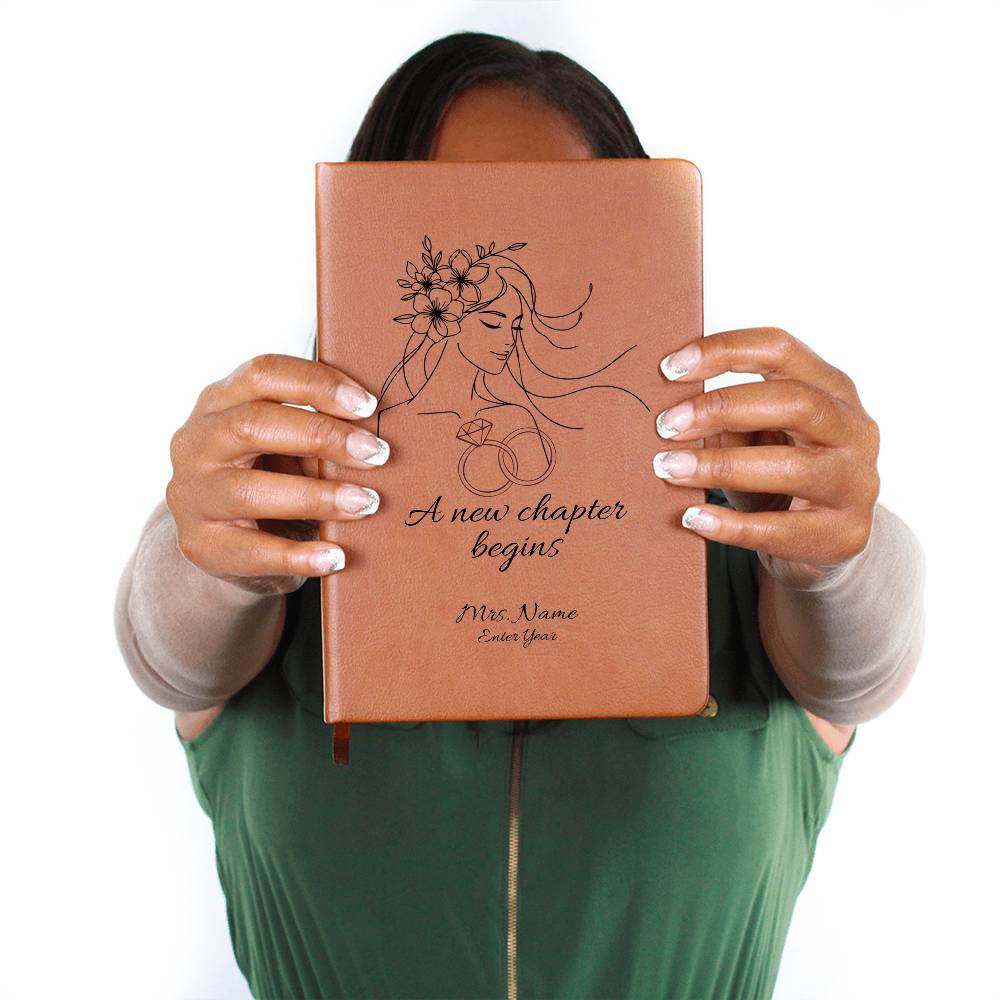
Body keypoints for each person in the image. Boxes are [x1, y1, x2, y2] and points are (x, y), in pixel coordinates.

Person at [113, 30, 926, 1000]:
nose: (500, 269)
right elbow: (164, 648)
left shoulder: (747, 537)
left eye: (557, 228)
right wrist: (202, 550)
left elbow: (866, 659)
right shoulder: (276, 534)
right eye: (453, 232)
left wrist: (844, 552)